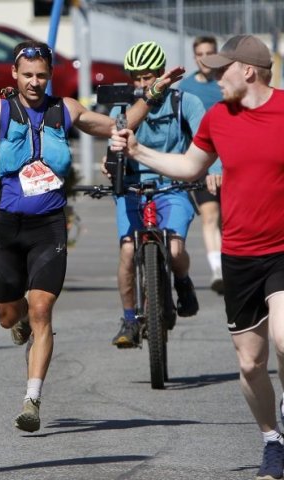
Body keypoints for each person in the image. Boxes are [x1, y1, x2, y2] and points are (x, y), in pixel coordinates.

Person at [0, 28, 183, 432]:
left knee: (42, 309)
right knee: (9, 316)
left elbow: (118, 126)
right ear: (15, 73)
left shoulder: (66, 110)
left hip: (49, 226)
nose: (34, 83)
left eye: (42, 76)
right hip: (10, 228)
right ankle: (20, 321)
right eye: (28, 74)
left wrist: (151, 97)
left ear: (50, 76)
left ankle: (32, 399)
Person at [111, 34, 284, 480]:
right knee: (249, 363)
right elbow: (191, 166)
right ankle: (272, 440)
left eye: (221, 67)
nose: (211, 73)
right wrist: (139, 151)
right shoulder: (218, 118)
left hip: (282, 248)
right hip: (240, 253)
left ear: (248, 70)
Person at [103, 41, 206, 349]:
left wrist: (215, 171)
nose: (142, 84)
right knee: (127, 251)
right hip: (133, 186)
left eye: (148, 77)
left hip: (173, 185)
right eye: (136, 77)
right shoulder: (122, 108)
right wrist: (107, 164)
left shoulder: (185, 102)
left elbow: (207, 141)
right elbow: (112, 142)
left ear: (162, 74)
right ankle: (129, 319)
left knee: (175, 251)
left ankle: (183, 284)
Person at [179, 36, 224, 294]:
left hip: (231, 162)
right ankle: (217, 270)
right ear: (195, 57)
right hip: (201, 163)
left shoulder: (227, 84)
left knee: (229, 222)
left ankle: (231, 266)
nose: (205, 58)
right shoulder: (185, 88)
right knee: (210, 215)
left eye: (210, 52)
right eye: (200, 53)